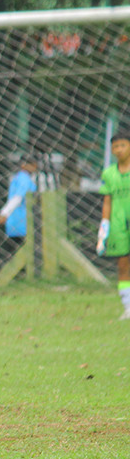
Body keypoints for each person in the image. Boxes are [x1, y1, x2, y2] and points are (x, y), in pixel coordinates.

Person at [96, 128, 130, 320]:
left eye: (122, 145)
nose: (119, 150)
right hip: (118, 225)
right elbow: (107, 201)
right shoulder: (108, 174)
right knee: (123, 265)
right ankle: (128, 307)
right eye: (115, 147)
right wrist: (104, 226)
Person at [0, 155, 38, 266]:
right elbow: (18, 198)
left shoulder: (20, 178)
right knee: (17, 248)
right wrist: (4, 213)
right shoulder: (24, 179)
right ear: (24, 165)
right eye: (32, 165)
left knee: (15, 248)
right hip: (20, 219)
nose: (35, 167)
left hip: (17, 219)